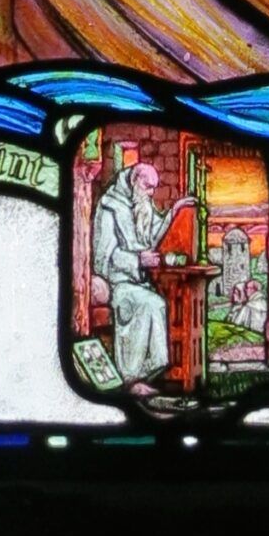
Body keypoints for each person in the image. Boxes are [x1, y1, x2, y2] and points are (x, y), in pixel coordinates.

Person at [90, 160, 171, 388]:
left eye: (154, 187)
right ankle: (132, 377)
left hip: (139, 283)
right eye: (148, 187)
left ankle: (149, 372)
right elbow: (104, 256)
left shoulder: (141, 203)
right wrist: (138, 260)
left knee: (156, 303)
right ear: (135, 180)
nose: (151, 193)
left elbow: (156, 231)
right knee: (149, 304)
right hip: (117, 283)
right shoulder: (110, 206)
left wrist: (176, 212)